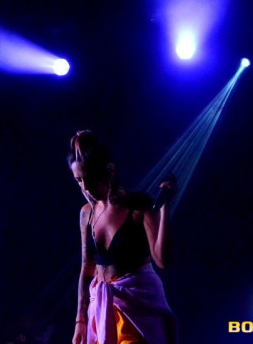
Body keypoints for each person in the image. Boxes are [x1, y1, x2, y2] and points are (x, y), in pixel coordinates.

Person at [68, 129, 178, 344]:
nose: (85, 187)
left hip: (136, 305)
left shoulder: (138, 205)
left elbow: (162, 260)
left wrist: (164, 206)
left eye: (88, 178)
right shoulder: (86, 213)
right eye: (78, 180)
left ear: (107, 170)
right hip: (101, 308)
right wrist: (80, 320)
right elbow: (86, 267)